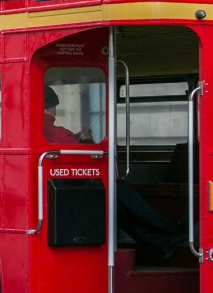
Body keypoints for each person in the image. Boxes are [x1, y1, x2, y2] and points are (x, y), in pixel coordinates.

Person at [43, 86, 187, 263]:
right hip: (78, 189)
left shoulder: (45, 130)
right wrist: (87, 139)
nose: (55, 112)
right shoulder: (57, 132)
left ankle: (160, 242)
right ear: (48, 107)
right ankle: (170, 229)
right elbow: (86, 158)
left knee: (117, 211)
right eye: (54, 107)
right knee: (124, 195)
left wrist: (77, 138)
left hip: (66, 190)